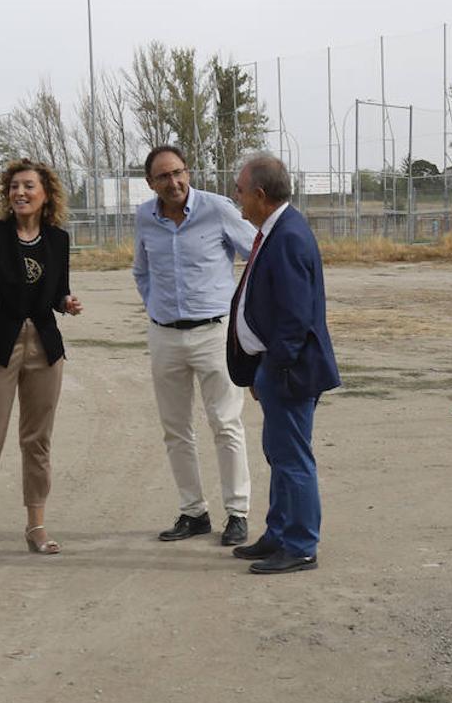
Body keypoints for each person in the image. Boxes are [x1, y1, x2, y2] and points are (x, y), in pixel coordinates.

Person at [0, 158, 82, 564]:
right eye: (14, 186)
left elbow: (58, 291)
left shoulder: (58, 240)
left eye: (29, 186)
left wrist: (66, 301)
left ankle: (36, 526)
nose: (20, 193)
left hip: (44, 349)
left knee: (37, 440)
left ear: (46, 194)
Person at [132, 145, 257, 546]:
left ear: (188, 171)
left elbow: (256, 253)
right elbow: (142, 271)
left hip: (214, 334)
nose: (174, 183)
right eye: (163, 177)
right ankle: (193, 511)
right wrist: (157, 307)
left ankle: (237, 512)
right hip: (165, 334)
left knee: (225, 423)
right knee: (176, 429)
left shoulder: (217, 209)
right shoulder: (144, 219)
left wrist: (242, 310)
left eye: (179, 172)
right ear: (151, 183)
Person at [226, 154, 340, 574]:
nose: (235, 197)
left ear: (259, 194)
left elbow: (294, 318)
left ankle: (300, 545)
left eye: (239, 190)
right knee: (278, 454)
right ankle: (278, 533)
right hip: (273, 368)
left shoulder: (288, 236)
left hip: (290, 372)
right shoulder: (275, 231)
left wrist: (274, 368)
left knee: (292, 458)